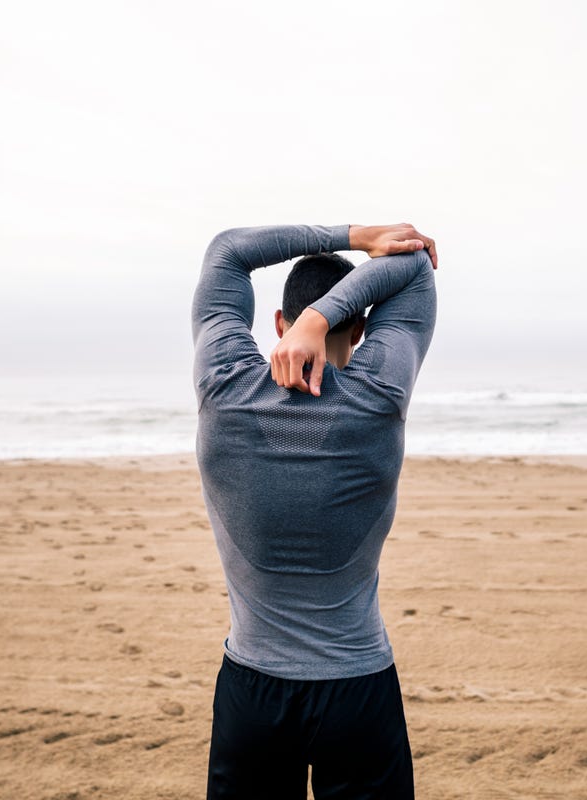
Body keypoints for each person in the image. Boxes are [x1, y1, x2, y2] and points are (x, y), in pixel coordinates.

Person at [192, 222, 438, 799]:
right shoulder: (380, 394)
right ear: (363, 327)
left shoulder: (222, 386)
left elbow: (227, 252)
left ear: (276, 323)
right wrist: (321, 321)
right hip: (358, 690)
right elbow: (417, 265)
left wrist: (354, 233)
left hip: (252, 693)